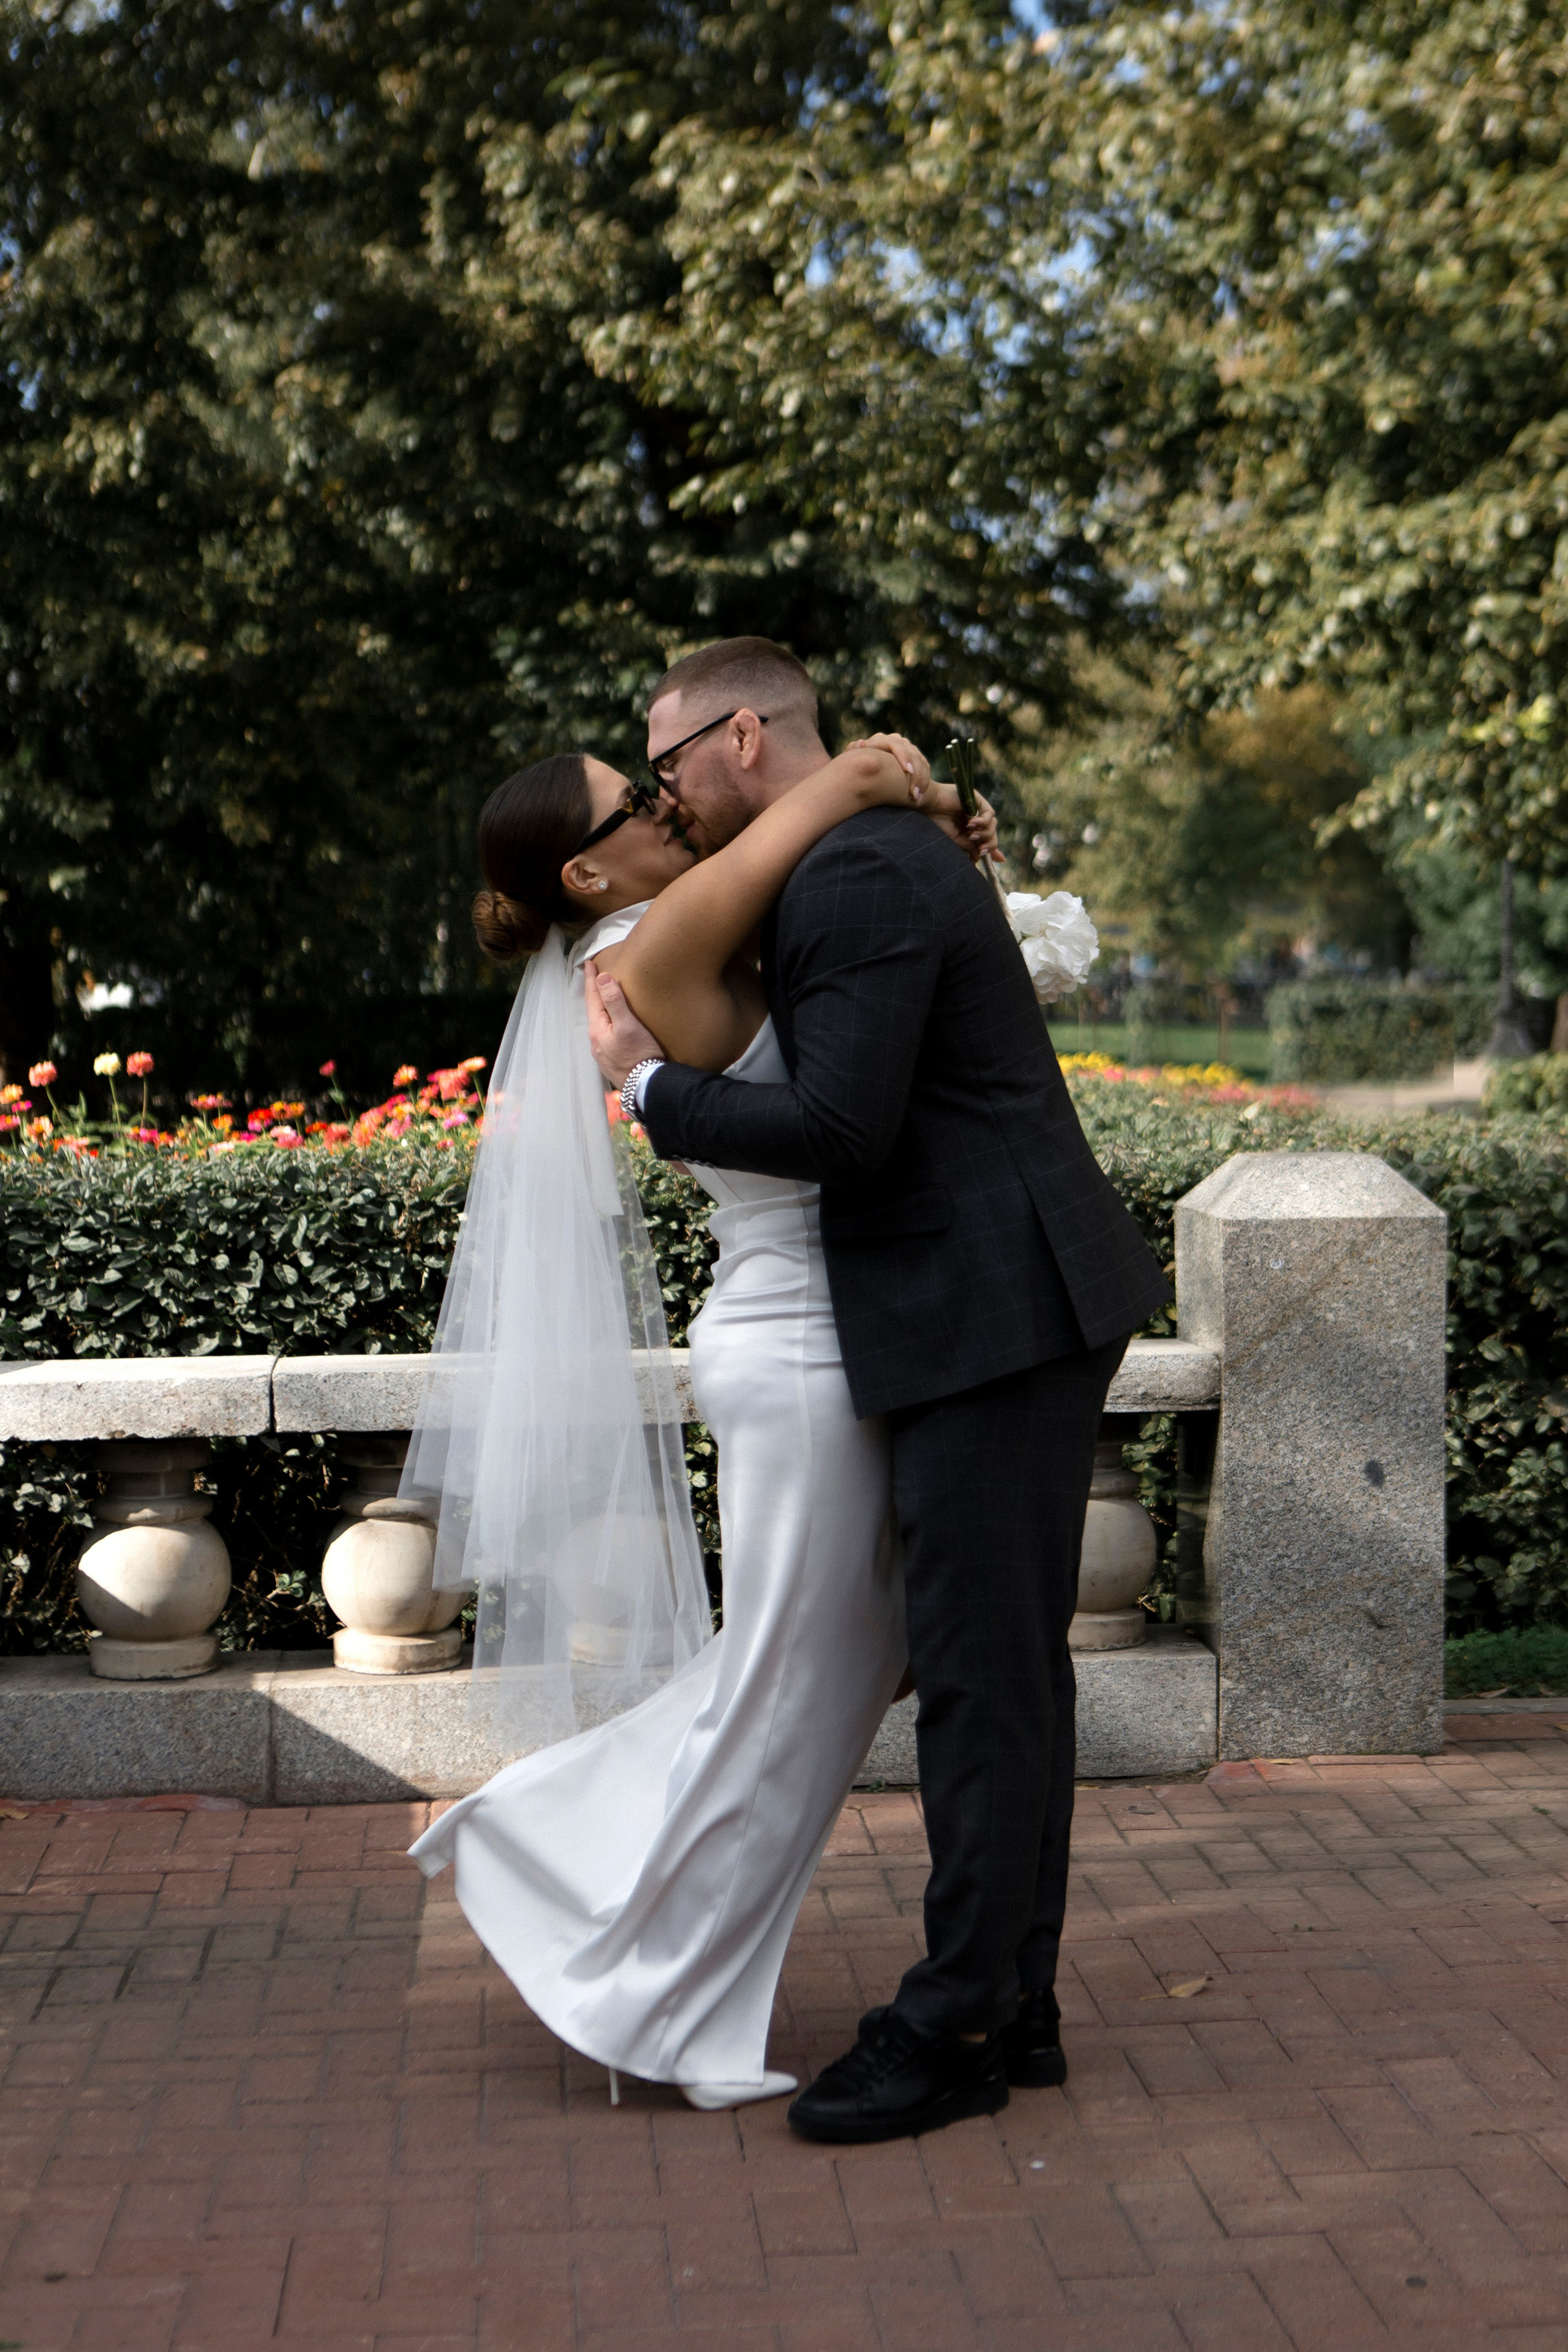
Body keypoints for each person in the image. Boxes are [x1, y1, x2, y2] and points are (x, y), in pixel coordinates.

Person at [588, 636, 1172, 2146]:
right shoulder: (861, 852)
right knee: (1004, 1670)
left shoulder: (852, 875)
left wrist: (651, 1093)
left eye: (665, 769)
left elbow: (841, 1124)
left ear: (736, 740)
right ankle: (1013, 2000)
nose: (664, 797)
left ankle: (957, 2020)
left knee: (981, 1679)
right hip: (1010, 1296)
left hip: (990, 1310)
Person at [408, 727, 994, 2111]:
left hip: (813, 1338)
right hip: (797, 1351)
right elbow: (788, 849)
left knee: (818, 1677)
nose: (665, 807)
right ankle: (625, 1961)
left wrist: (932, 832)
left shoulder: (659, 927)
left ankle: (578, 1882)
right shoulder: (656, 931)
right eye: (635, 800)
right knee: (792, 1689)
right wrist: (851, 779)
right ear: (586, 861)